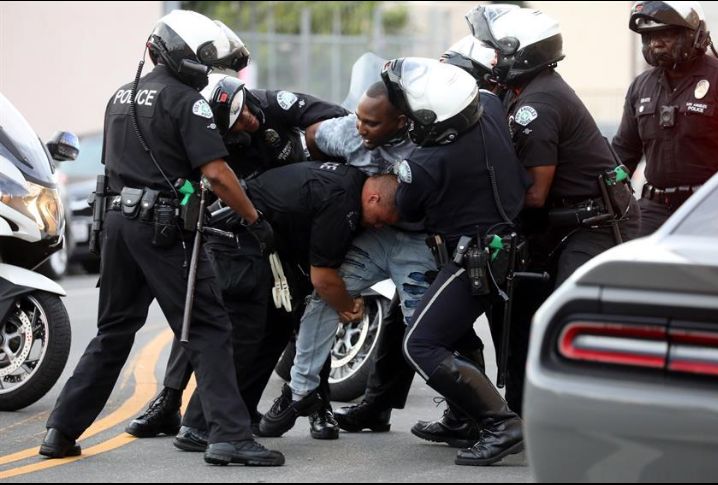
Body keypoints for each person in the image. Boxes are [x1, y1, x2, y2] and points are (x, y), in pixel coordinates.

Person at [40, 10, 284, 467]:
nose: (208, 69)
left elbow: (138, 167)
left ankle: (61, 429)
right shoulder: (186, 101)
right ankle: (230, 437)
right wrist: (254, 218)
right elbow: (216, 172)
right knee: (209, 327)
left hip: (117, 223)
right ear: (185, 57)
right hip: (162, 229)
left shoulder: (120, 95)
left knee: (114, 330)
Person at [124, 74, 348, 445]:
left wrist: (325, 152)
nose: (247, 120)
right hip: (240, 230)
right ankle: (172, 398)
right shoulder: (211, 137)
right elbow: (186, 185)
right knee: (211, 311)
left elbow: (337, 119)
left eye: (243, 109)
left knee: (302, 312)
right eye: (236, 122)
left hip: (298, 222)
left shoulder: (276, 104)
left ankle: (316, 403)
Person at [466, 4, 641, 418]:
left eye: (499, 49)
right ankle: (522, 415)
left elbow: (534, 194)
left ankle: (589, 417)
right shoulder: (520, 91)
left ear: (522, 52)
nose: (494, 57)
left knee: (566, 314)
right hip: (557, 224)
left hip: (593, 225)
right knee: (523, 310)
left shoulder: (539, 102)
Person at [331, 45, 502, 449]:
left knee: (433, 333)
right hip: (417, 240)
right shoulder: (485, 109)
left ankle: (480, 418)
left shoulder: (436, 146)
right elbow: (317, 135)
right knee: (396, 320)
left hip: (450, 245)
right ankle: (374, 405)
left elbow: (415, 200)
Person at [259, 80, 443, 438]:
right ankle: (299, 391)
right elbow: (311, 137)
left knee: (429, 326)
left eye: (371, 123)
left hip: (418, 242)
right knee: (324, 298)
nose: (361, 128)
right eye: (360, 119)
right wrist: (328, 191)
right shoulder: (346, 131)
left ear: (402, 121)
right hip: (370, 234)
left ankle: (470, 411)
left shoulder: (426, 146)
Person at [383, 57, 530, 466]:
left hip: (476, 258)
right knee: (455, 333)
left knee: (420, 343)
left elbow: (405, 209)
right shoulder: (489, 106)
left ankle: (501, 423)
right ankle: (464, 418)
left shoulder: (423, 166)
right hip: (508, 243)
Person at [613, 0, 718, 236]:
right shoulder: (640, 87)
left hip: (712, 210)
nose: (656, 43)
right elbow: (623, 153)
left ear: (693, 35)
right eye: (649, 36)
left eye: (666, 34)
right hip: (653, 211)